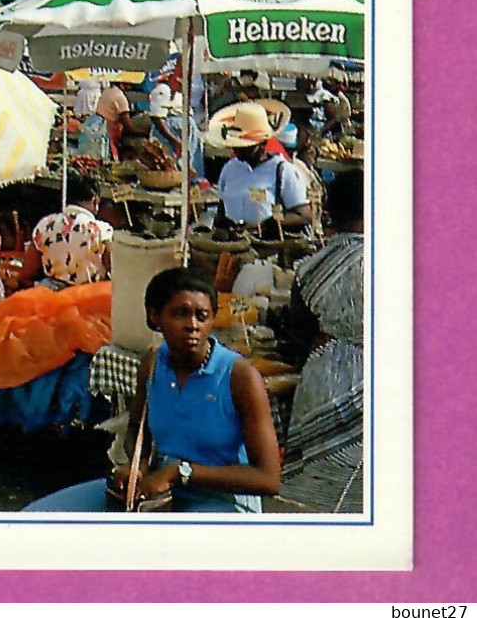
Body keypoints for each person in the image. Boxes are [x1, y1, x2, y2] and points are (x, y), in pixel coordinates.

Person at [25, 266, 281, 512]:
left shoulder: (239, 376)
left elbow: (268, 479)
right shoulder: (153, 363)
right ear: (155, 316)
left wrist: (181, 472)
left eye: (202, 316)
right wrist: (139, 466)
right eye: (180, 313)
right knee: (36, 517)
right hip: (160, 487)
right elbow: (138, 428)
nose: (193, 324)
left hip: (221, 499)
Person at [281, 169, 365, 511]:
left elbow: (297, 333)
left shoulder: (312, 266)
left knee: (321, 488)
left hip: (322, 381)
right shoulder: (403, 260)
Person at [206, 101, 312, 240]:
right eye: (236, 147)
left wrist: (266, 225)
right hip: (234, 245)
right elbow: (222, 209)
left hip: (269, 246)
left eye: (246, 148)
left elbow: (304, 215)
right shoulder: (229, 168)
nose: (237, 151)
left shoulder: (283, 170)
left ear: (263, 144)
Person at [29, 175, 112, 288]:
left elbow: (29, 269)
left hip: (51, 295)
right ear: (95, 200)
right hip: (89, 296)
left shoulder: (45, 224)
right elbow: (113, 269)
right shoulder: (101, 230)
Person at [94, 79, 132, 159]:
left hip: (99, 127)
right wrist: (145, 132)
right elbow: (129, 127)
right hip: (109, 131)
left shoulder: (108, 91)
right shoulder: (120, 97)